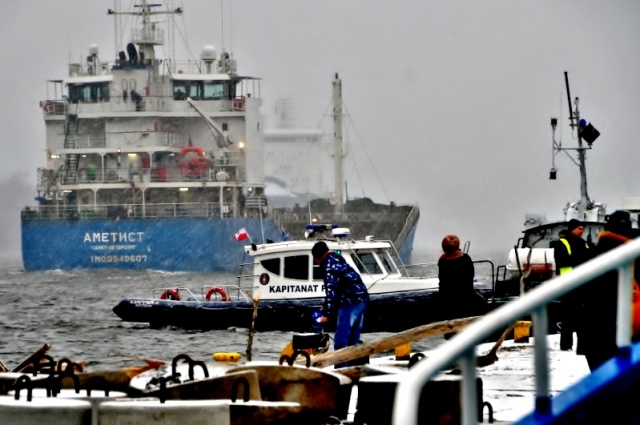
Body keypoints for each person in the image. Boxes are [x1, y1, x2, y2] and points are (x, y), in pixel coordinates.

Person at [575, 210, 640, 371]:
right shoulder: (634, 258)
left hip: (593, 335)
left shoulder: (589, 256)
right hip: (628, 333)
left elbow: (577, 296)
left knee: (602, 385)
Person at [312, 241, 370, 368]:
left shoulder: (328, 267)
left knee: (340, 342)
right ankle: (354, 369)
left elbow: (332, 291)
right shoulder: (338, 259)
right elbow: (340, 287)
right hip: (362, 299)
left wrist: (326, 314)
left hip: (350, 303)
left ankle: (341, 373)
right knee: (352, 342)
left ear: (317, 258)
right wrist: (327, 307)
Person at [437, 235, 488, 336]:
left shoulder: (443, 262)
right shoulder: (466, 259)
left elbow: (443, 284)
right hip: (466, 298)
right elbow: (469, 280)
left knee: (453, 332)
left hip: (450, 302)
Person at [553, 219, 592, 350]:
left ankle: (584, 344)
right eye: (579, 228)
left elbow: (591, 258)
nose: (582, 231)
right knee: (567, 317)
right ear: (572, 229)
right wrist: (581, 260)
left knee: (584, 317)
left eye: (583, 229)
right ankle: (566, 345)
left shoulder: (584, 244)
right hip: (568, 285)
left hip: (583, 285)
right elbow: (562, 261)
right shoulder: (561, 243)